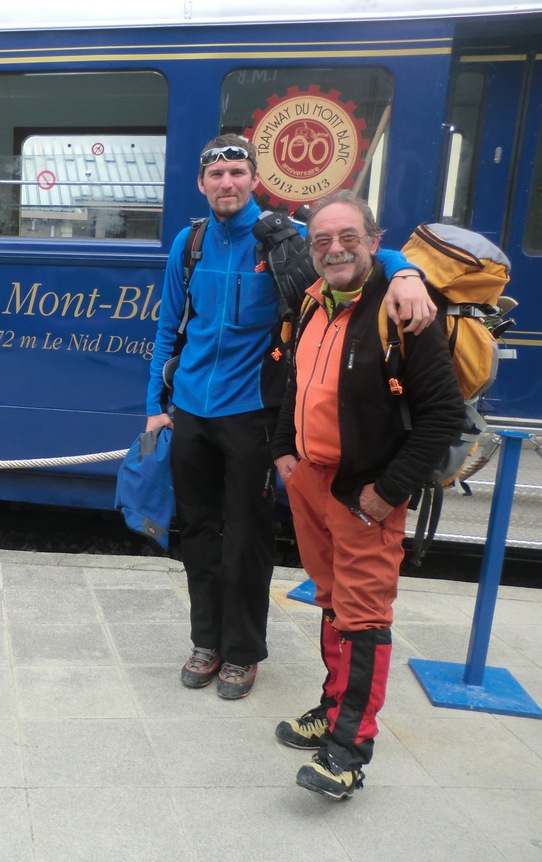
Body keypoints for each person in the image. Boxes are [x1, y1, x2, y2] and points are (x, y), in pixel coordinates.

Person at [145, 134, 436, 699]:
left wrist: (406, 273)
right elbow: (167, 327)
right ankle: (206, 641)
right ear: (201, 183)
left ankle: (242, 652)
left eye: (237, 173)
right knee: (198, 532)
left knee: (247, 537)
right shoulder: (190, 242)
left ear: (255, 180)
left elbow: (360, 254)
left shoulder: (287, 237)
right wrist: (155, 406)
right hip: (191, 412)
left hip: (252, 412)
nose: (227, 183)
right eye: (215, 175)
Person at [271, 190, 465, 799]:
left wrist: (388, 492)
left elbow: (443, 416)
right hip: (310, 479)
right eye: (322, 241)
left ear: (375, 242)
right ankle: (333, 709)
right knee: (332, 601)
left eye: (348, 238)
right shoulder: (312, 301)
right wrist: (283, 451)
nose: (335, 249)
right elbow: (292, 379)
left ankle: (348, 752)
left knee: (363, 616)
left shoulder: (403, 310)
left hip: (365, 493)